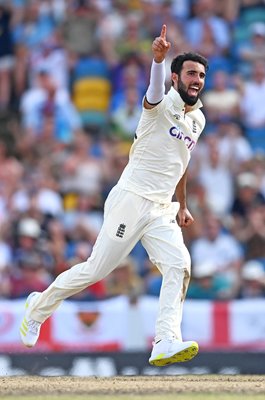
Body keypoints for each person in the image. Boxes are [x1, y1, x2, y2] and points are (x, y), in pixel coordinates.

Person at [20, 25, 208, 367]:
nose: (197, 80)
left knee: (179, 266)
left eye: (202, 75)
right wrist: (158, 61)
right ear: (177, 78)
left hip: (162, 209)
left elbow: (182, 162)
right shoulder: (160, 105)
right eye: (191, 74)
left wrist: (182, 204)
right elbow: (153, 89)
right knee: (95, 270)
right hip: (131, 199)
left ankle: (165, 340)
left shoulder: (198, 120)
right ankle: (36, 309)